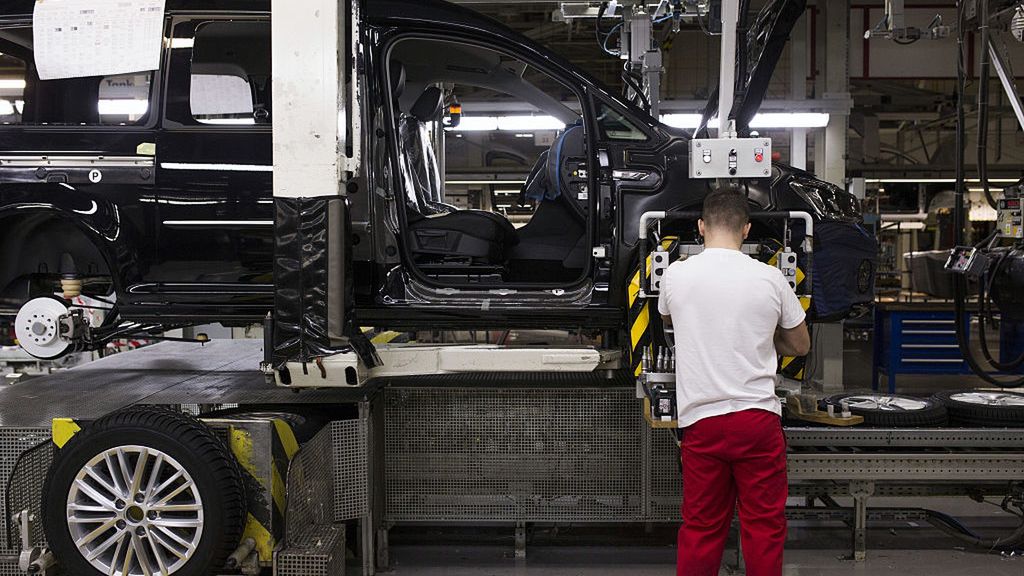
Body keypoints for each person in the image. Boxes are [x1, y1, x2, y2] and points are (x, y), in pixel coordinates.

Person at [658, 190, 810, 576]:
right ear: (746, 229)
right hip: (756, 421)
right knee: (763, 526)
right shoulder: (770, 277)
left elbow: (670, 322)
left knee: (702, 527)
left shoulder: (676, 275)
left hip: (702, 422)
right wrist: (762, 335)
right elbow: (800, 344)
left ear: (701, 227)